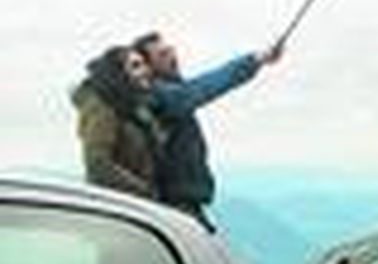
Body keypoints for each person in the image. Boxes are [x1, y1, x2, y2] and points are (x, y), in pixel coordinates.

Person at [132, 32, 283, 229]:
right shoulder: (160, 96)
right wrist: (255, 60)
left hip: (179, 203)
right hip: (175, 204)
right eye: (162, 55)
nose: (172, 57)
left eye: (170, 50)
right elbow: (206, 86)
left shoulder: (171, 93)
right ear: (149, 67)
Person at [71, 46, 164, 199]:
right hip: (118, 205)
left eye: (144, 64)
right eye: (135, 66)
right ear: (118, 73)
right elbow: (98, 165)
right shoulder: (102, 108)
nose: (145, 71)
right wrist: (144, 191)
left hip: (136, 203)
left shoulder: (134, 108)